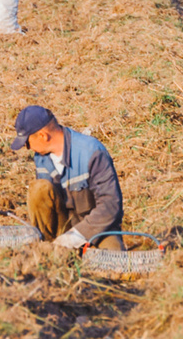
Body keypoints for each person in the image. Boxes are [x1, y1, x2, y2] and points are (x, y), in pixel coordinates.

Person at [12, 105, 124, 248]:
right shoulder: (40, 159)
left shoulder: (92, 152)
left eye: (27, 143)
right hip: (61, 231)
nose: (27, 148)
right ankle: (47, 247)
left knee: (113, 259)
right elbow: (44, 206)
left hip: (97, 230)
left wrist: (76, 237)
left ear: (43, 136)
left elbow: (110, 206)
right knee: (38, 189)